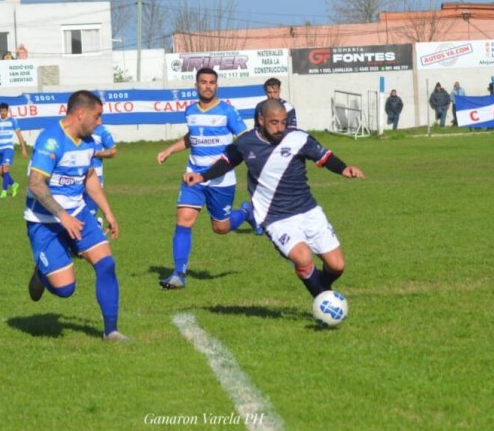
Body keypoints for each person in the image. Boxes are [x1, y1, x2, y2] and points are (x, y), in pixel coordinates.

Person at [184, 99, 365, 301]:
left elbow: (324, 156)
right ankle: (324, 301)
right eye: (274, 122)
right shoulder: (246, 143)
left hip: (308, 210)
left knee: (337, 265)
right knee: (303, 258)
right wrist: (202, 176)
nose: (280, 128)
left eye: (283, 122)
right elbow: (227, 161)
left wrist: (343, 168)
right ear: (261, 119)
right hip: (275, 217)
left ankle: (321, 286)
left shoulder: (299, 138)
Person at [24, 90, 130, 342]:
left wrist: (108, 211)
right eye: (97, 115)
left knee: (106, 264)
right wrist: (62, 216)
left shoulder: (90, 141)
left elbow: (89, 177)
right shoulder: (51, 140)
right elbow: (36, 184)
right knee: (65, 289)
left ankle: (111, 331)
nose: (100, 121)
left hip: (78, 213)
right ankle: (41, 272)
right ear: (80, 113)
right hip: (44, 220)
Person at [156, 67, 257, 289]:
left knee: (220, 228)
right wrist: (169, 151)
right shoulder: (190, 110)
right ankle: (179, 274)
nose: (208, 86)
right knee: (183, 219)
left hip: (220, 179)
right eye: (203, 82)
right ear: (196, 85)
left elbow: (244, 140)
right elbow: (192, 137)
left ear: (216, 86)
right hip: (193, 176)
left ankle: (246, 212)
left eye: (212, 82)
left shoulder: (228, 112)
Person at [0, 102, 28, 198]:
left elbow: (19, 134)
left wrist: (23, 148)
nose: (3, 112)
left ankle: (4, 191)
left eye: (5, 110)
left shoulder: (12, 121)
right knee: (0, 172)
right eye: (1, 111)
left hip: (8, 148)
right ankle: (14, 184)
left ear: (7, 110)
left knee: (5, 170)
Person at [84, 124, 118, 224]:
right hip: (76, 178)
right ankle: (96, 224)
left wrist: (96, 153)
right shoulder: (77, 131)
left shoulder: (102, 130)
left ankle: (95, 224)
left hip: (96, 179)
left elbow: (113, 151)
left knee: (89, 214)